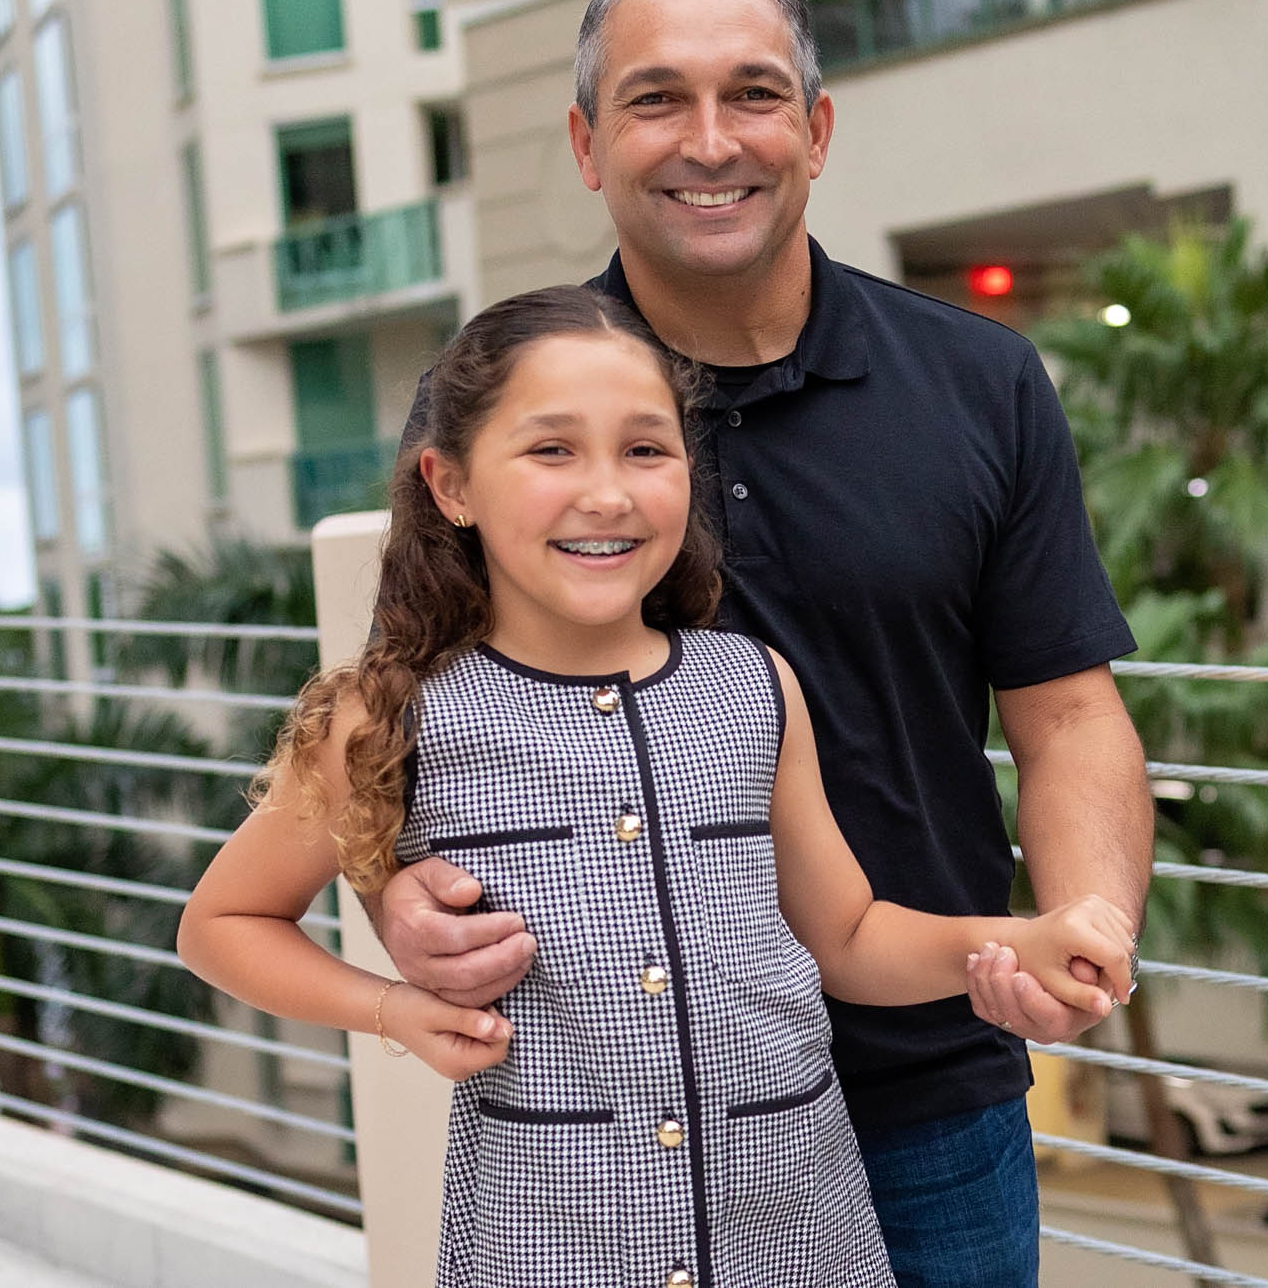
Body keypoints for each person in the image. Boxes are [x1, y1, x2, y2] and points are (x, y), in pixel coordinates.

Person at [375, 0, 1154, 1287]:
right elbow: (391, 732)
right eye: (655, 99)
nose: (710, 140)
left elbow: (1072, 712)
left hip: (934, 1090)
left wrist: (1078, 928)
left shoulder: (982, 385)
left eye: (752, 93)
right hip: (606, 1129)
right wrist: (390, 892)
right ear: (584, 142)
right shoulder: (506, 408)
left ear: (818, 126)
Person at [176, 286, 1136, 1288]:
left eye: (645, 449)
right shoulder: (389, 715)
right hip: (550, 1249)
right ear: (449, 484)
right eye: (551, 451)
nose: (607, 493)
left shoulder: (753, 687)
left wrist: (1015, 942)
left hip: (802, 1241)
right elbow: (224, 923)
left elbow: (847, 938)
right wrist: (390, 1011)